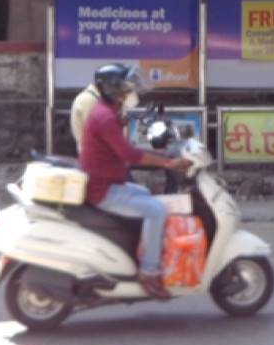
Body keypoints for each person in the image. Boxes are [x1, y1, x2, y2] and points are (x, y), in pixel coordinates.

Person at [78, 64, 189, 300]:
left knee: (145, 194)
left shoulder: (106, 112)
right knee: (156, 210)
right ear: (113, 91)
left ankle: (138, 250)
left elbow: (121, 146)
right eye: (128, 89)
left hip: (108, 183)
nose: (132, 94)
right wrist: (168, 163)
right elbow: (129, 154)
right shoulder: (105, 117)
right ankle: (149, 273)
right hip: (104, 191)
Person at [70, 64, 141, 152]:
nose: (124, 91)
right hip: (97, 159)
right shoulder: (89, 100)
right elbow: (100, 134)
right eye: (122, 87)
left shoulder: (101, 99)